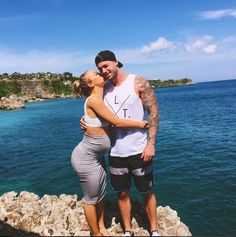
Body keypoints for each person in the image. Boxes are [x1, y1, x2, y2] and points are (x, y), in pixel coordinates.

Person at [81, 50, 160, 236]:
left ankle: (154, 229)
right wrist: (84, 120)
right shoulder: (103, 87)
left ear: (116, 62)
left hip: (140, 150)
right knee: (122, 194)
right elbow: (94, 110)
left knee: (147, 192)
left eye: (106, 65)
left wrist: (151, 144)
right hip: (115, 152)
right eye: (100, 68)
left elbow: (154, 114)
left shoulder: (138, 82)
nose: (103, 70)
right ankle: (127, 230)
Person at [71, 70, 149, 236]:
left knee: (100, 195)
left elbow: (98, 118)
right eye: (95, 74)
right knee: (91, 199)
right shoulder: (94, 100)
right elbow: (116, 122)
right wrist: (141, 124)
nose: (100, 74)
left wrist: (85, 119)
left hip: (97, 157)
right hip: (86, 158)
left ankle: (102, 227)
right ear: (91, 83)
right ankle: (96, 233)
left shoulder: (101, 97)